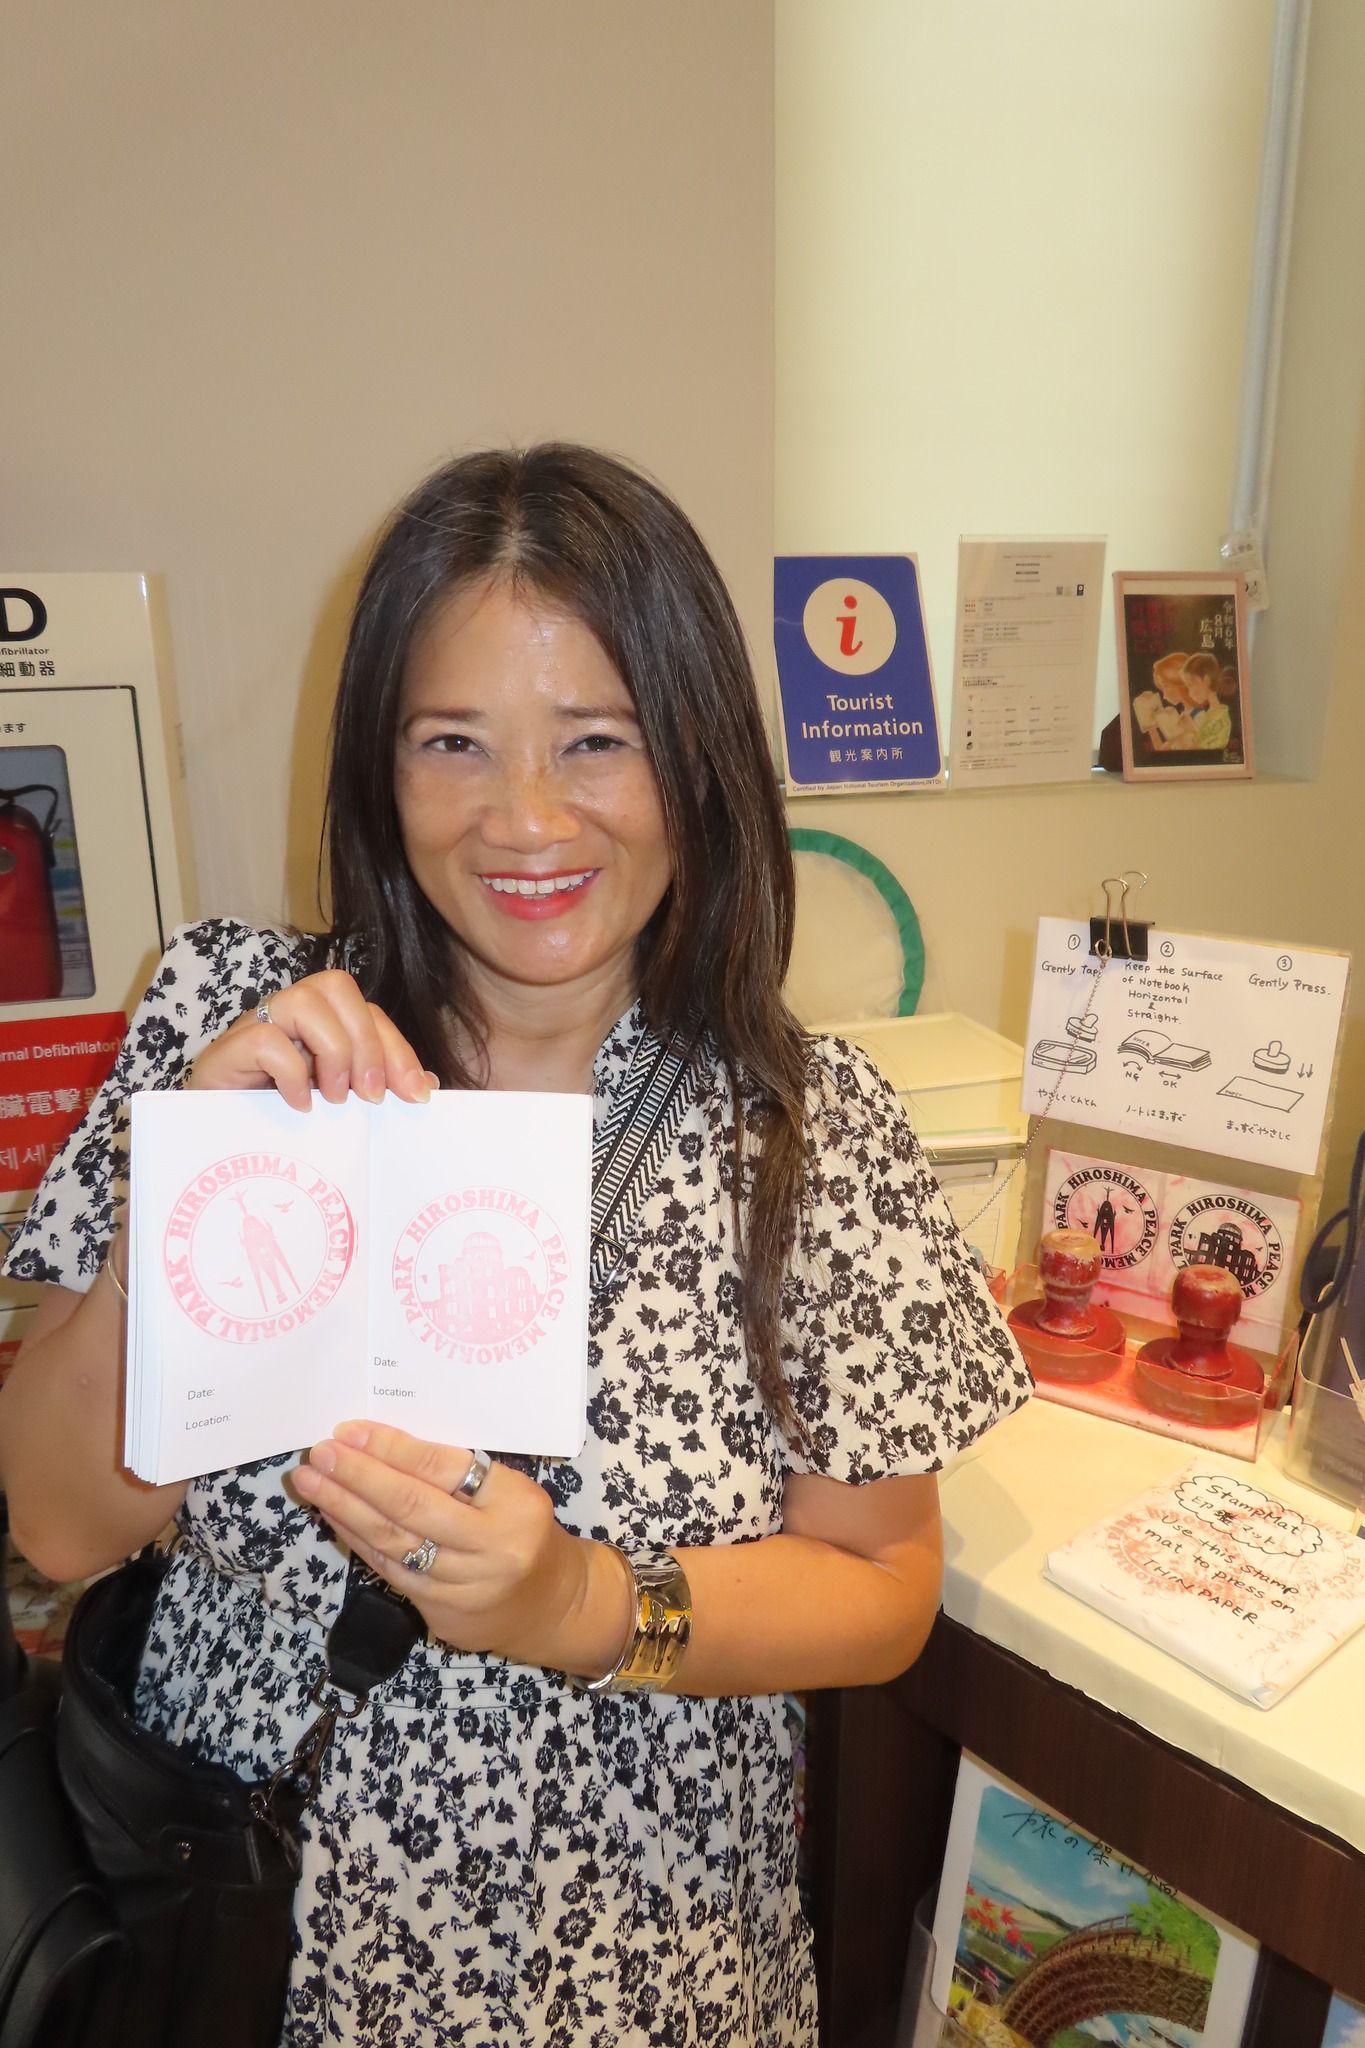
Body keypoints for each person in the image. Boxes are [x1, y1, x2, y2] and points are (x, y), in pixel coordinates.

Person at [0, 444, 1030, 2048]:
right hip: (241, 1940)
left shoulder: (810, 1131)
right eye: (454, 743)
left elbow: (883, 1583)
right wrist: (195, 1192)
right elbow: (56, 1528)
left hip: (647, 1972)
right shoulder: (228, 1019)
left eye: (597, 741)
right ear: (379, 765)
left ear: (696, 758)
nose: (525, 818)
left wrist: (585, 1605)